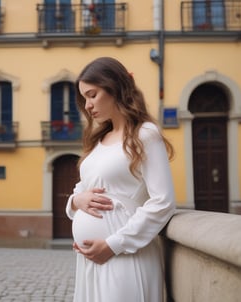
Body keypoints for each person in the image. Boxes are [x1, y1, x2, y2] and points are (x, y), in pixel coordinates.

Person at [65, 57, 176, 302]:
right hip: (90, 260)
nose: (88, 105)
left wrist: (113, 245)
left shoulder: (145, 135)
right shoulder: (98, 141)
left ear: (113, 87)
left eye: (92, 95)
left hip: (125, 254)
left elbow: (163, 202)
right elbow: (82, 191)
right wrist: (75, 201)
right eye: (84, 98)